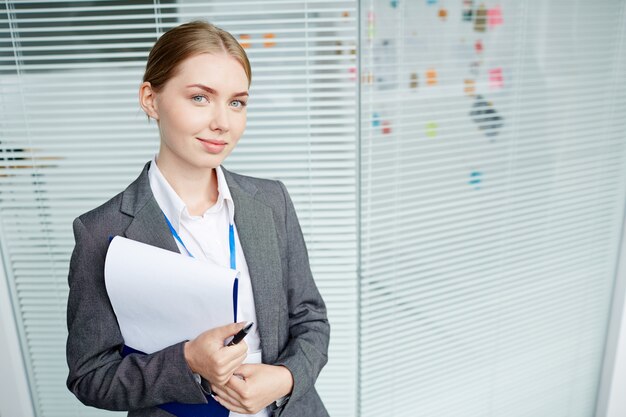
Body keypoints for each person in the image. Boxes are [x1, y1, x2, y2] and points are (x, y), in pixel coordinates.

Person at [65, 20, 330, 417]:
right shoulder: (102, 232)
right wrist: (186, 361)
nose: (222, 122)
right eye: (200, 98)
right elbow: (90, 376)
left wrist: (284, 378)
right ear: (150, 100)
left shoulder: (272, 202)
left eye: (236, 102)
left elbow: (311, 319)